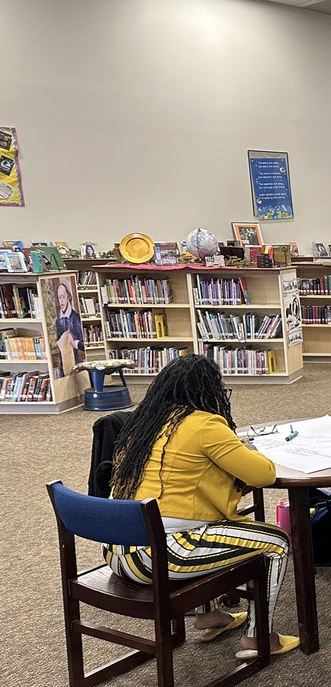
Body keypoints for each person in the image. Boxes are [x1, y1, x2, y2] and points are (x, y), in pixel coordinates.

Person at [103, 355, 297, 659]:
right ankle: (260, 637)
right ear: (207, 391)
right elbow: (263, 474)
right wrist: (249, 450)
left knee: (200, 523)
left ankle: (210, 616)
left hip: (118, 551)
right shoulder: (205, 424)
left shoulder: (146, 423)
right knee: (276, 542)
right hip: (157, 557)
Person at [53, 280, 85, 375]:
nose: (61, 301)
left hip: (76, 362)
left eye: (63, 297)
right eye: (59, 298)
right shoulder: (58, 321)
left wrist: (74, 342)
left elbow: (83, 344)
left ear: (69, 297)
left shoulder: (76, 318)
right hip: (63, 362)